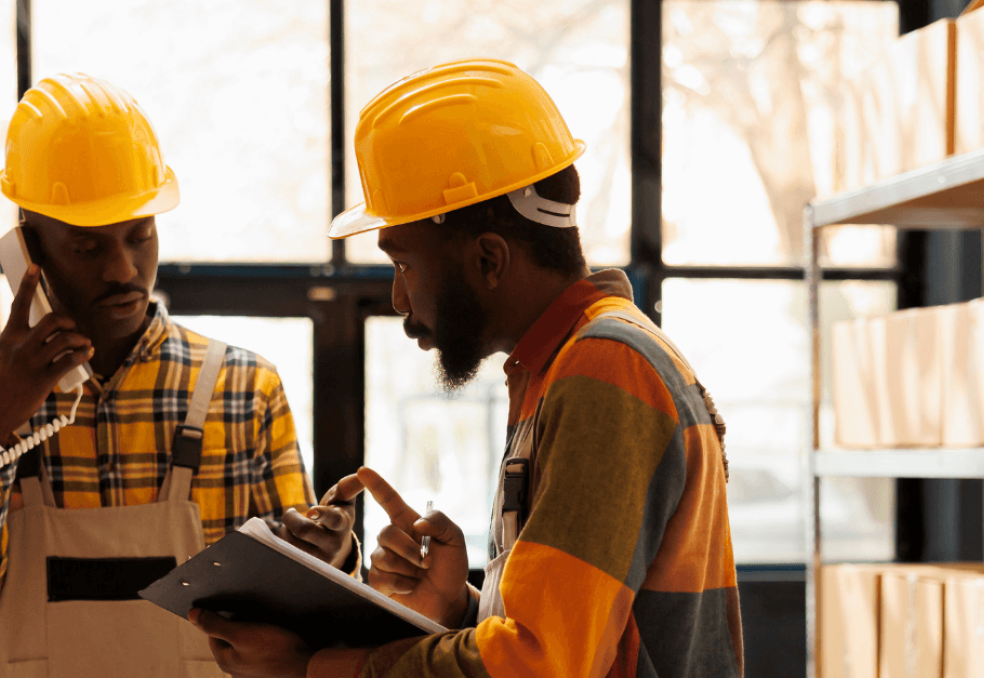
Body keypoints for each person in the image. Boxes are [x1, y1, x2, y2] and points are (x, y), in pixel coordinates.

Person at [192, 58, 743, 678]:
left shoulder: (604, 371)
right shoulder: (564, 367)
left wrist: (315, 667)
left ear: (487, 258)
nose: (399, 301)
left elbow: (541, 668)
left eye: (403, 264)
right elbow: (571, 643)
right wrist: (458, 607)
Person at [0, 73, 358, 677]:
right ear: (27, 251)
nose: (124, 270)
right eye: (88, 248)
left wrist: (331, 558)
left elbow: (298, 638)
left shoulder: (244, 391)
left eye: (139, 235)